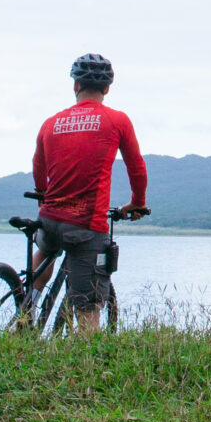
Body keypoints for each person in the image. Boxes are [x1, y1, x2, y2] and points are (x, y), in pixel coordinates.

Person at [30, 52, 147, 333]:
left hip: (49, 218)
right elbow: (137, 169)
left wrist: (44, 193)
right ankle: (85, 354)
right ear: (107, 89)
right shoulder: (117, 120)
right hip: (86, 225)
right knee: (88, 313)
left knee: (46, 250)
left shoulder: (51, 122)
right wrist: (137, 203)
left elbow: (38, 166)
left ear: (75, 86)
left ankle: (26, 310)